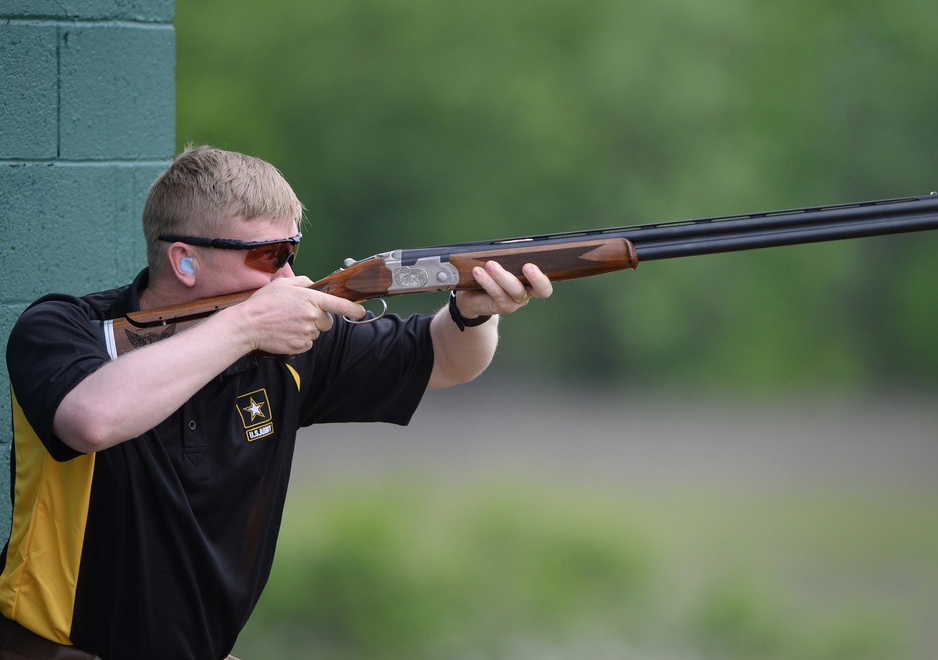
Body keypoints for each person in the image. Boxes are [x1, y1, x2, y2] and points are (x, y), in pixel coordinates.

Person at [1, 145, 553, 660]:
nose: (289, 275)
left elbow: (446, 359)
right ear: (185, 262)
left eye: (293, 251)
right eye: (269, 256)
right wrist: (244, 325)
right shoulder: (63, 328)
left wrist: (473, 313)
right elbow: (90, 420)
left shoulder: (287, 342)